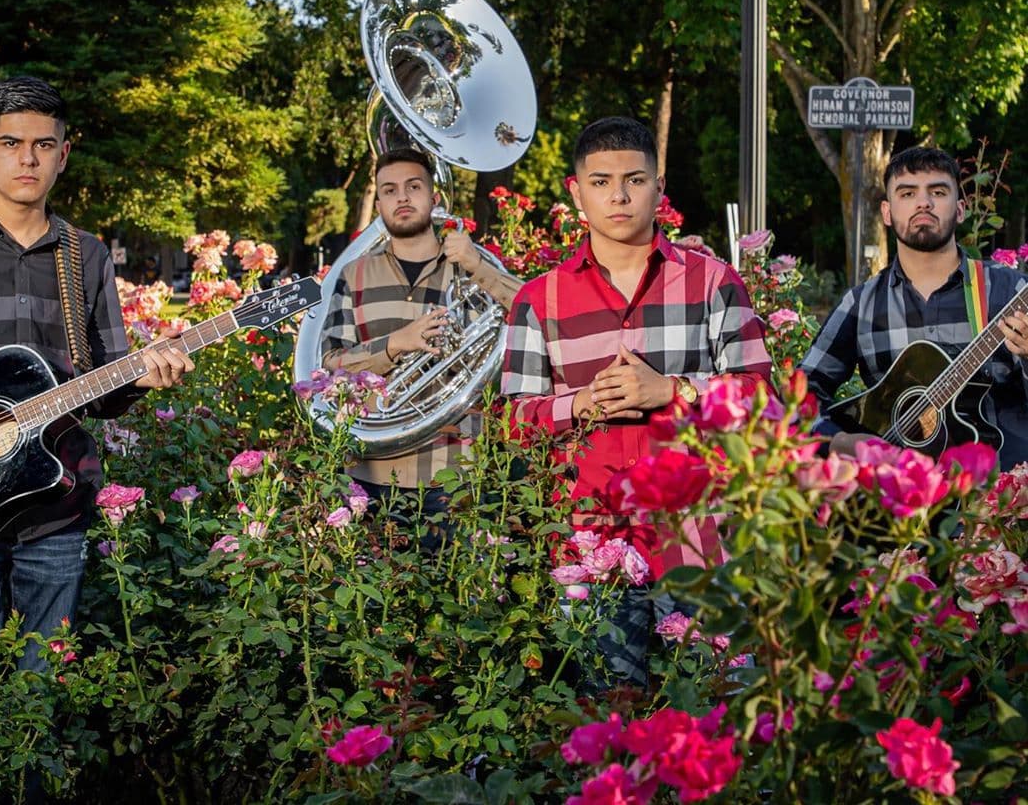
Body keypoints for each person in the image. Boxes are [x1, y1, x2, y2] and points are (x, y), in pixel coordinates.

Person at [500, 116, 773, 686]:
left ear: (658, 185)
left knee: (719, 724)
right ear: (576, 192)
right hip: (591, 548)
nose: (618, 196)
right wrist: (579, 405)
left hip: (699, 546)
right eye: (600, 182)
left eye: (634, 180)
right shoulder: (539, 300)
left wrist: (672, 392)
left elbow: (763, 403)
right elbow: (512, 421)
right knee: (605, 731)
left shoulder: (713, 284)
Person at [0, 77, 193, 672]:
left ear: (64, 153)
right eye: (10, 143)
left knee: (44, 687)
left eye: (42, 144)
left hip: (56, 502)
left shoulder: (85, 255)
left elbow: (104, 380)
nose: (27, 158)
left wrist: (142, 376)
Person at [320, 147, 522, 519]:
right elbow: (330, 367)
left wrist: (478, 266)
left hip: (453, 471)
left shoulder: (471, 269)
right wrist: (397, 343)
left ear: (435, 197)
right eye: (389, 190)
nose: (402, 197)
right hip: (370, 473)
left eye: (413, 186)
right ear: (378, 203)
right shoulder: (354, 276)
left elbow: (533, 315)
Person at [800, 145, 1028, 465]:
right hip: (897, 498)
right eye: (907, 193)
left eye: (937, 191)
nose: (924, 202)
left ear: (960, 209)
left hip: (995, 498)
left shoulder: (1010, 291)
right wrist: (838, 441)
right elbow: (799, 394)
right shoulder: (861, 304)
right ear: (887, 213)